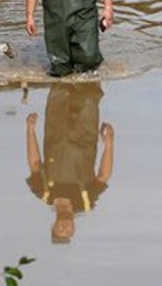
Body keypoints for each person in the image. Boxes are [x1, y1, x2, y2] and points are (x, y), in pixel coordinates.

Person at [25, 82, 114, 244]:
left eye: (60, 231)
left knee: (60, 85)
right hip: (86, 131)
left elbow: (35, 163)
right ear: (74, 228)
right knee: (89, 90)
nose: (66, 229)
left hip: (55, 129)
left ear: (53, 226)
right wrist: (109, 142)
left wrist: (30, 130)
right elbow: (104, 175)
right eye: (69, 232)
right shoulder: (86, 201)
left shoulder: (44, 193)